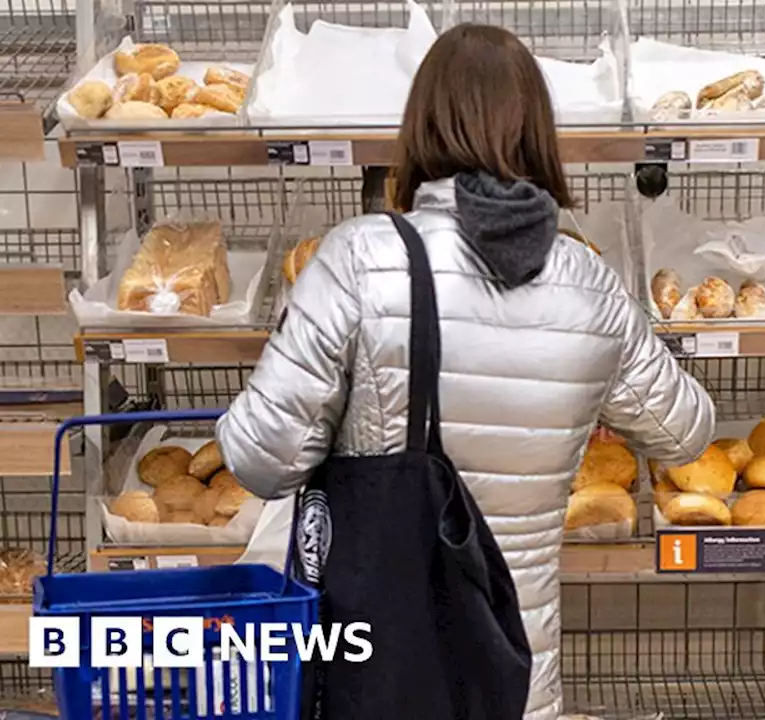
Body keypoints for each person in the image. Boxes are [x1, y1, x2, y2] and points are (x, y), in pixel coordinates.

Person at [215, 23, 715, 720]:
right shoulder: (589, 284)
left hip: (384, 663)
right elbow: (686, 432)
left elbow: (258, 459)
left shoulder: (360, 259)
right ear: (539, 132)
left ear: (420, 125)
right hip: (516, 671)